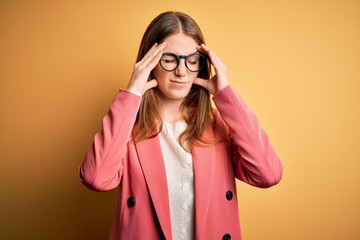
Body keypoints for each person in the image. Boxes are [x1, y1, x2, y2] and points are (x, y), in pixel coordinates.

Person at [79, 11, 283, 240]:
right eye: (169, 59)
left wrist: (226, 95)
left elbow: (268, 174)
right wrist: (132, 93)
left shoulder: (217, 124)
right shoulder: (129, 127)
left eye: (192, 60)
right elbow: (96, 178)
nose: (182, 71)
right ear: (150, 62)